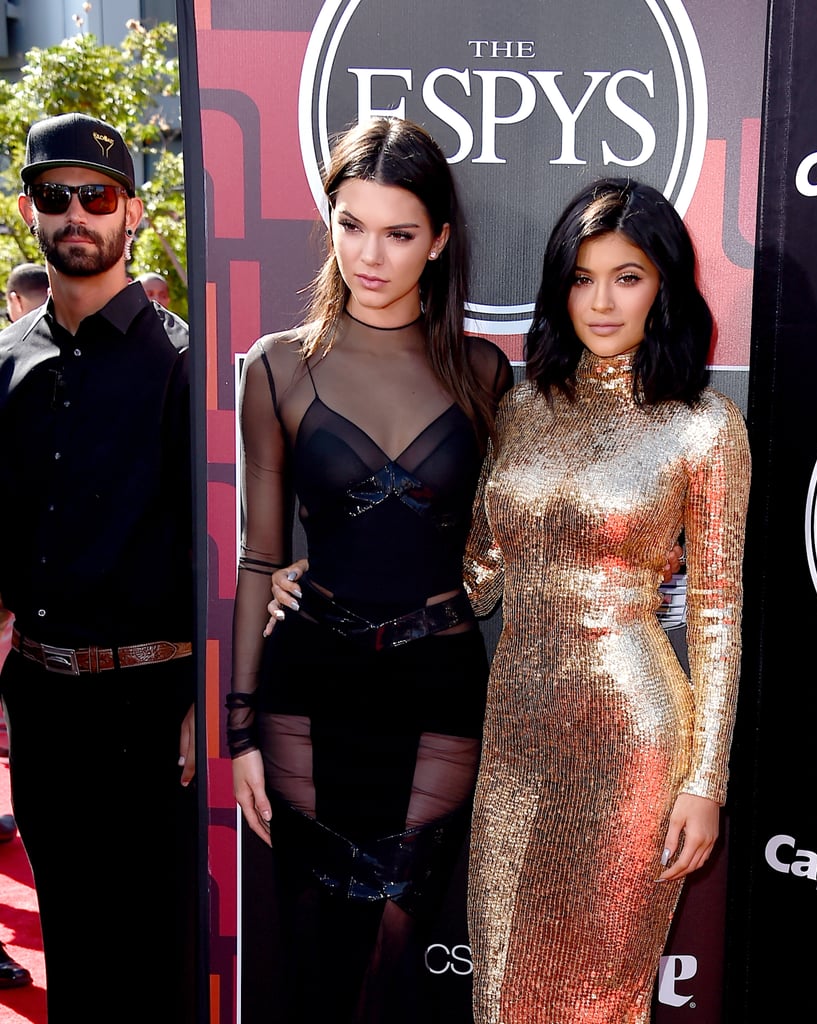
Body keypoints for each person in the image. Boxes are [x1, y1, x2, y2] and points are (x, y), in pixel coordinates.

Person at [229, 116, 512, 1021]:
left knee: (399, 947)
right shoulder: (277, 367)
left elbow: (511, 536)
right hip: (308, 687)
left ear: (438, 240)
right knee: (313, 953)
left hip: (440, 688)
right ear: (330, 221)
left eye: (398, 232)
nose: (371, 254)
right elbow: (257, 557)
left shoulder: (484, 373)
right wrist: (237, 731)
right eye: (351, 224)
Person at [462, 178, 751, 1022]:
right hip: (513, 736)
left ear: (663, 284)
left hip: (631, 740)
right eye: (582, 277)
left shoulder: (702, 426)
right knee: (502, 994)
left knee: (598, 1000)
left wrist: (706, 780)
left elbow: (718, 615)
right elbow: (478, 566)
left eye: (627, 276)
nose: (600, 300)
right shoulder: (520, 410)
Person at [0, 113, 196, 1022]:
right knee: (72, 948)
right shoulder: (5, 362)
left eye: (97, 195)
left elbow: (218, 545)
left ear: (135, 214)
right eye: (54, 195)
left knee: (158, 957)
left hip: (157, 710)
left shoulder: (183, 361)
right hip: (42, 703)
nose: (76, 213)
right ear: (30, 212)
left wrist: (209, 701)